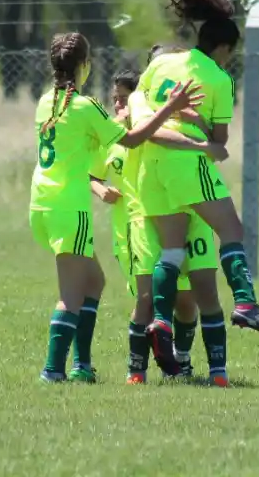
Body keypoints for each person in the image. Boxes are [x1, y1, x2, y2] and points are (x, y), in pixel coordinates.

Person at [136, 0, 259, 375]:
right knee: (232, 230)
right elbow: (219, 144)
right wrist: (201, 132)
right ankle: (245, 303)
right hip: (188, 162)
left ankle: (161, 321)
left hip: (151, 167)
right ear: (223, 48)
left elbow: (141, 110)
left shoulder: (162, 65)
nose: (230, 59)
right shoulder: (219, 79)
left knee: (170, 250)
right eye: (231, 53)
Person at [29, 31, 203, 383]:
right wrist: (168, 108)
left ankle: (81, 366)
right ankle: (53, 371)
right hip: (69, 207)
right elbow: (134, 138)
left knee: (94, 281)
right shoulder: (84, 106)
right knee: (71, 295)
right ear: (84, 66)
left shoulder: (45, 101)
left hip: (41, 204)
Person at [94, 66, 229, 387]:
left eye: (125, 100)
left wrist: (195, 121)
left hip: (187, 215)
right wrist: (101, 189)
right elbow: (92, 172)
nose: (119, 107)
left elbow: (216, 145)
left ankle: (185, 362)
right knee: (147, 298)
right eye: (115, 100)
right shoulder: (113, 134)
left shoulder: (173, 128)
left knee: (188, 298)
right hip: (139, 222)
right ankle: (136, 370)